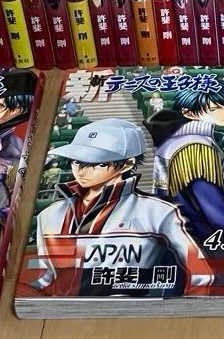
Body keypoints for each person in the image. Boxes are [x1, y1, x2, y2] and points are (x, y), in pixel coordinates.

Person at [31, 119, 211, 296]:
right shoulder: (49, 215)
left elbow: (201, 273)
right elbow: (46, 279)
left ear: (127, 164)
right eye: (77, 161)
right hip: (61, 310)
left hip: (132, 310)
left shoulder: (158, 212)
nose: (82, 171)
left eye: (99, 163)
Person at [150, 81, 224, 247]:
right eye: (217, 108)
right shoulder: (196, 146)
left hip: (183, 238)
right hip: (206, 243)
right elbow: (214, 210)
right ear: (188, 113)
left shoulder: (178, 141)